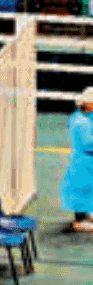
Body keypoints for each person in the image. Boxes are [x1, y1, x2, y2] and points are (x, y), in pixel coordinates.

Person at [60, 86, 93, 231]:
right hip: (83, 163)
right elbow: (88, 144)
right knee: (82, 189)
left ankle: (86, 215)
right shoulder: (80, 122)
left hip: (86, 162)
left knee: (87, 189)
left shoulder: (83, 117)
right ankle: (79, 222)